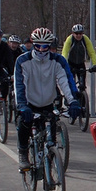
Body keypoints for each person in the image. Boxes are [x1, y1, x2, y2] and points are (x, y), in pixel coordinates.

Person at [15, 27, 81, 169]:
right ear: (33, 44)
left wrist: (73, 101)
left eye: (46, 46)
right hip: (30, 103)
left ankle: (50, 159)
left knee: (51, 133)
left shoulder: (58, 61)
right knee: (24, 123)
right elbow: (20, 84)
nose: (42, 49)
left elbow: (65, 81)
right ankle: (23, 152)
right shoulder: (23, 61)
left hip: (48, 103)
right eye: (38, 45)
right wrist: (22, 104)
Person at [62, 23, 96, 87]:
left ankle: (83, 95)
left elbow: (91, 52)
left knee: (82, 85)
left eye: (80, 33)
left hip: (81, 64)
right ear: (73, 33)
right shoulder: (69, 39)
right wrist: (64, 64)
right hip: (71, 64)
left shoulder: (85, 39)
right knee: (71, 84)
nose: (78, 35)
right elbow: (65, 52)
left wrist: (95, 64)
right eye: (76, 33)